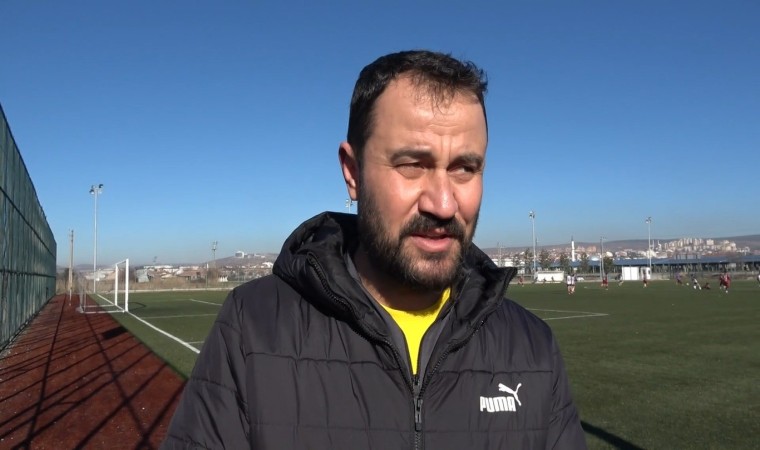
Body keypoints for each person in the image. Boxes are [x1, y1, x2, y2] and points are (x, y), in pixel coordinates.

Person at [161, 50, 586, 449]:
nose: (443, 204)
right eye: (412, 165)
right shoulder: (253, 329)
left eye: (464, 168)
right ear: (353, 173)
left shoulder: (532, 349)